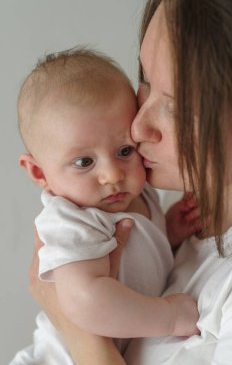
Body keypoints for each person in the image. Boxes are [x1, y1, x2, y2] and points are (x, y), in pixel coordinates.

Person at [20, 0, 232, 363]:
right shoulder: (92, 215)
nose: (138, 128)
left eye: (176, 104)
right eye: (144, 80)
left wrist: (84, 341)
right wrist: (172, 237)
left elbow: (82, 307)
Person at [11, 47, 200, 364]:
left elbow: (136, 259)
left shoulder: (137, 194)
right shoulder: (70, 221)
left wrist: (169, 231)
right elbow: (85, 300)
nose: (112, 174)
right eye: (84, 162)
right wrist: (167, 317)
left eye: (125, 150)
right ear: (39, 173)